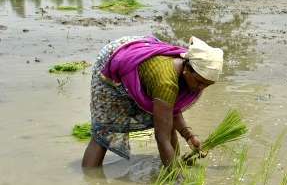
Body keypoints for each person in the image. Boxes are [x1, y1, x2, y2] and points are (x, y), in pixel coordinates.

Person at [81, 36, 223, 168]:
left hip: (142, 58)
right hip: (115, 62)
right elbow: (161, 138)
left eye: (207, 85)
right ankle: (90, 176)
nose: (201, 88)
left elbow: (172, 109)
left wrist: (189, 136)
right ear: (186, 69)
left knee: (167, 125)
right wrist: (177, 180)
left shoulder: (191, 71)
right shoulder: (165, 82)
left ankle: (172, 165)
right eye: (199, 82)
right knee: (105, 131)